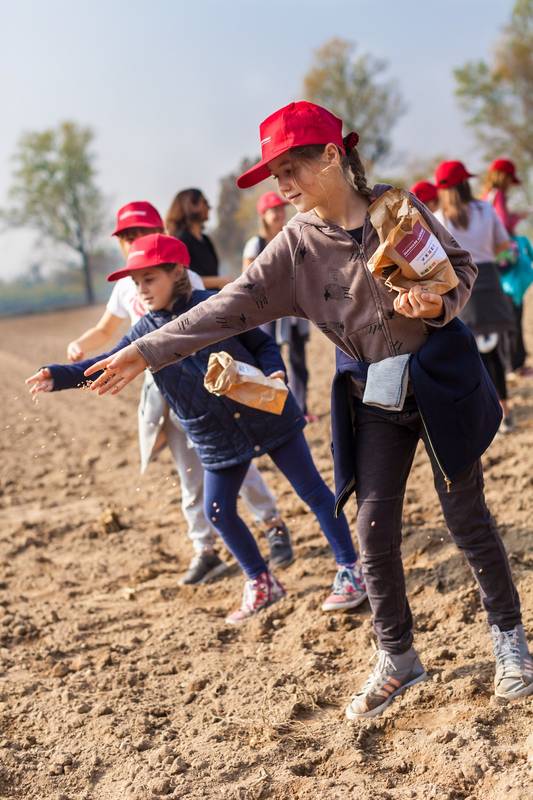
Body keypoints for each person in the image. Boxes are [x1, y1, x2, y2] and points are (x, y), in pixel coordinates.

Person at [82, 102, 532, 714]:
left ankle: (511, 642)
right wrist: (148, 350)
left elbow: (458, 270)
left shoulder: (397, 209)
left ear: (332, 155)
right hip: (373, 392)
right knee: (372, 532)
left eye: (292, 168)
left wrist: (435, 303)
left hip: (439, 380)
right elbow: (225, 306)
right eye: (275, 176)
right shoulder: (294, 248)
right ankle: (399, 659)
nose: (283, 185)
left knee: (467, 519)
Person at [27, 233, 367, 624]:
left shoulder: (215, 306)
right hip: (214, 434)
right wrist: (59, 376)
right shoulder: (144, 333)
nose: (142, 289)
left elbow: (262, 344)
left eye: (150, 279)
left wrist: (275, 370)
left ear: (177, 272)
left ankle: (350, 568)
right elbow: (108, 360)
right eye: (137, 283)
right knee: (218, 510)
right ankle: (262, 581)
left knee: (313, 491)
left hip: (265, 411)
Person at [67, 201, 294, 583]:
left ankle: (272, 523)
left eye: (139, 234)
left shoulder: (184, 278)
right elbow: (107, 331)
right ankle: (204, 549)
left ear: (159, 235)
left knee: (234, 461)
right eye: (125, 237)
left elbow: (209, 322)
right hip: (164, 389)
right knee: (188, 472)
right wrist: (81, 343)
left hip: (203, 382)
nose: (131, 242)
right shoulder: (125, 287)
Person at [434, 161, 516, 432]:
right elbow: (503, 247)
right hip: (490, 282)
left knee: (469, 355)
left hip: (458, 287)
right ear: (466, 183)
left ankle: (481, 415)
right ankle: (504, 411)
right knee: (493, 353)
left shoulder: (437, 217)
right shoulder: (485, 209)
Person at [242, 191, 315, 418]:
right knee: (272, 360)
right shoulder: (255, 244)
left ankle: (300, 408)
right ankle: (274, 411)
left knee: (298, 360)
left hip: (296, 308)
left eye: (281, 209)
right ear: (263, 215)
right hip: (269, 311)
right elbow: (249, 278)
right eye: (273, 210)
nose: (279, 214)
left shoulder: (292, 236)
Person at [483, 158, 533, 376]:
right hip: (505, 262)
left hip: (493, 263)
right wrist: (517, 217)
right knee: (514, 310)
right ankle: (516, 364)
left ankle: (511, 364)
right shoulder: (498, 196)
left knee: (505, 314)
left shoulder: (486, 197)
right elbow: (503, 225)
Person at [166, 188, 229, 290]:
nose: (209, 207)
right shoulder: (180, 241)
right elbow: (183, 278)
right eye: (204, 202)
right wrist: (220, 281)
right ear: (190, 205)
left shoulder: (206, 240)